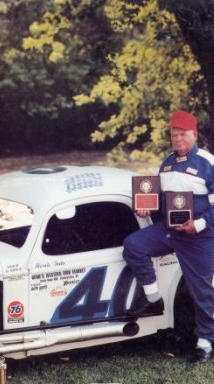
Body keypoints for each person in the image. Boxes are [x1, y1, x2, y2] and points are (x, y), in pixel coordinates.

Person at [123, 110, 214, 363]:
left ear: (194, 135)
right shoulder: (166, 162)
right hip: (170, 230)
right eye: (173, 135)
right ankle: (153, 299)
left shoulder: (208, 162)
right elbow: (160, 200)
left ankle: (205, 342)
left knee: (201, 290)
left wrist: (198, 224)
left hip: (199, 236)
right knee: (133, 245)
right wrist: (146, 207)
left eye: (182, 134)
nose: (177, 139)